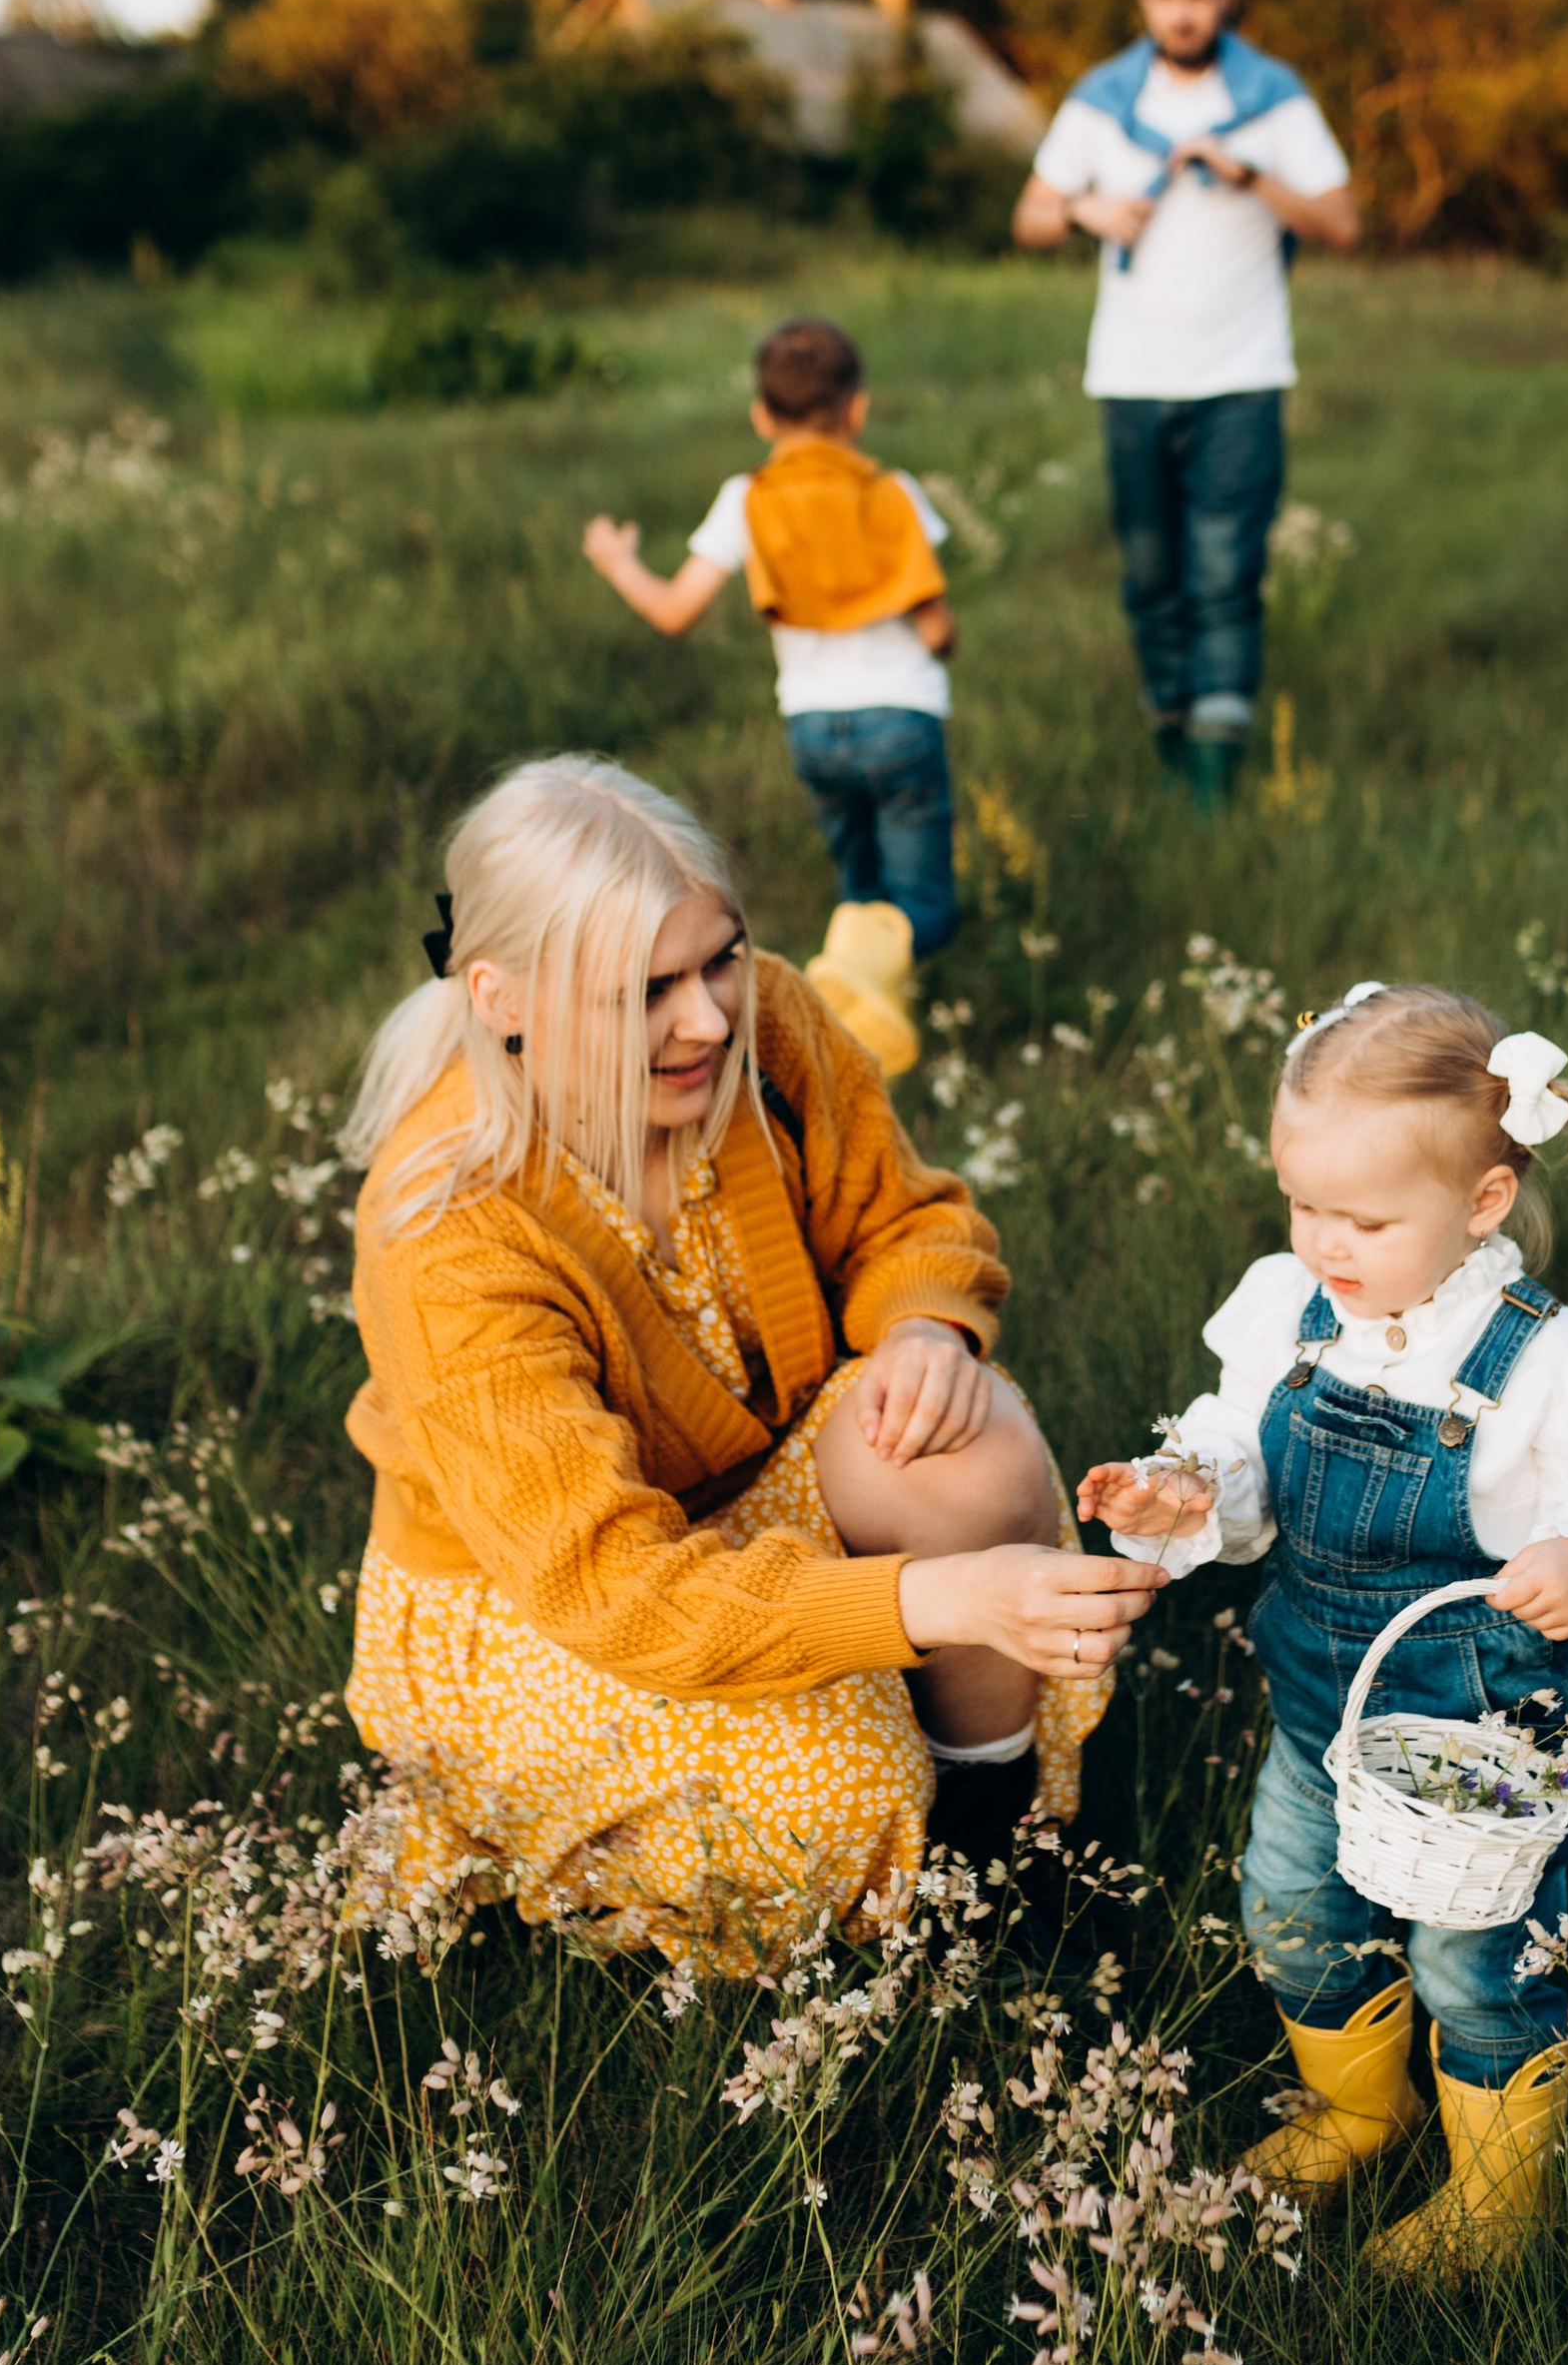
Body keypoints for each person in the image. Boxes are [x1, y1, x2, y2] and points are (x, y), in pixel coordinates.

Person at [339, 754, 1158, 1959]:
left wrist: (925, 1324)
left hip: (751, 1480)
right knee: (837, 1796)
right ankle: (899, 1851)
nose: (709, 1017)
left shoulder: (767, 1026)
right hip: (557, 1598)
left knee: (967, 1439)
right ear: (502, 996)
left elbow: (904, 1217)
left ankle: (990, 1841)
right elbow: (611, 1591)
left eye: (719, 956)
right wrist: (942, 1598)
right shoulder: (449, 1237)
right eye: (645, 987)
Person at [1079, 983, 1568, 2279]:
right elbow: (1244, 1463)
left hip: (1481, 1737)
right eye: (1304, 1206)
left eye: (1366, 1219)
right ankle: (1365, 2104)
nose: (1327, 1243)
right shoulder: (1289, 1314)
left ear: (1481, 1204)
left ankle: (1499, 2190)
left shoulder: (1549, 1367)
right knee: (1288, 1908)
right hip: (1321, 1709)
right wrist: (1183, 1489)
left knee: (1474, 1959)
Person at [1012, 0, 1357, 811]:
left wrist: (1249, 179)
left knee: (1224, 574)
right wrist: (1087, 211)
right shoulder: (1100, 99)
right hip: (1130, 377)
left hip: (1241, 376)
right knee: (1151, 576)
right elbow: (1030, 218)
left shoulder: (1274, 97)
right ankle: (1170, 733)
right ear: (1143, 0)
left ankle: (1215, 780)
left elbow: (1340, 223)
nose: (1183, 12)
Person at [583, 320, 954, 1078]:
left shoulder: (744, 496)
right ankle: (852, 982)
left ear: (761, 415)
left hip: (814, 729)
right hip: (903, 717)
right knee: (927, 907)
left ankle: (871, 1025)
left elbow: (674, 612)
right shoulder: (893, 492)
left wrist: (619, 562)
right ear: (858, 409)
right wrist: (938, 639)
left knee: (862, 893)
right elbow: (938, 629)